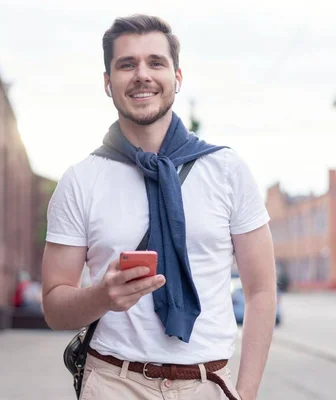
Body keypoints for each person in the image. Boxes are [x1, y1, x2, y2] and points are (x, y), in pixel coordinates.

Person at [42, 14, 277, 400]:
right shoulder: (81, 180)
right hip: (114, 383)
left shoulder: (227, 170)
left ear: (177, 78)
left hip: (209, 384)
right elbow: (54, 306)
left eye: (155, 62)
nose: (142, 75)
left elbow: (261, 290)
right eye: (126, 64)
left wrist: (246, 392)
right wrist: (101, 296)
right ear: (107, 82)